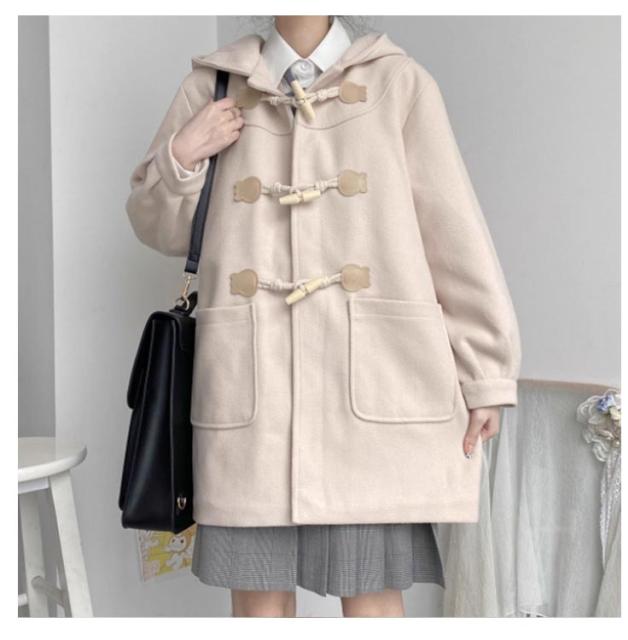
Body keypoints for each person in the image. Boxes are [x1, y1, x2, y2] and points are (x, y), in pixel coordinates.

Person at [125, 15, 521, 617]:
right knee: (258, 608)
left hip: (374, 391)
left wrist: (486, 372)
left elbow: (454, 235)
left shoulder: (399, 83)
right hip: (249, 398)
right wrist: (183, 155)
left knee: (373, 605)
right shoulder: (213, 86)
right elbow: (158, 228)